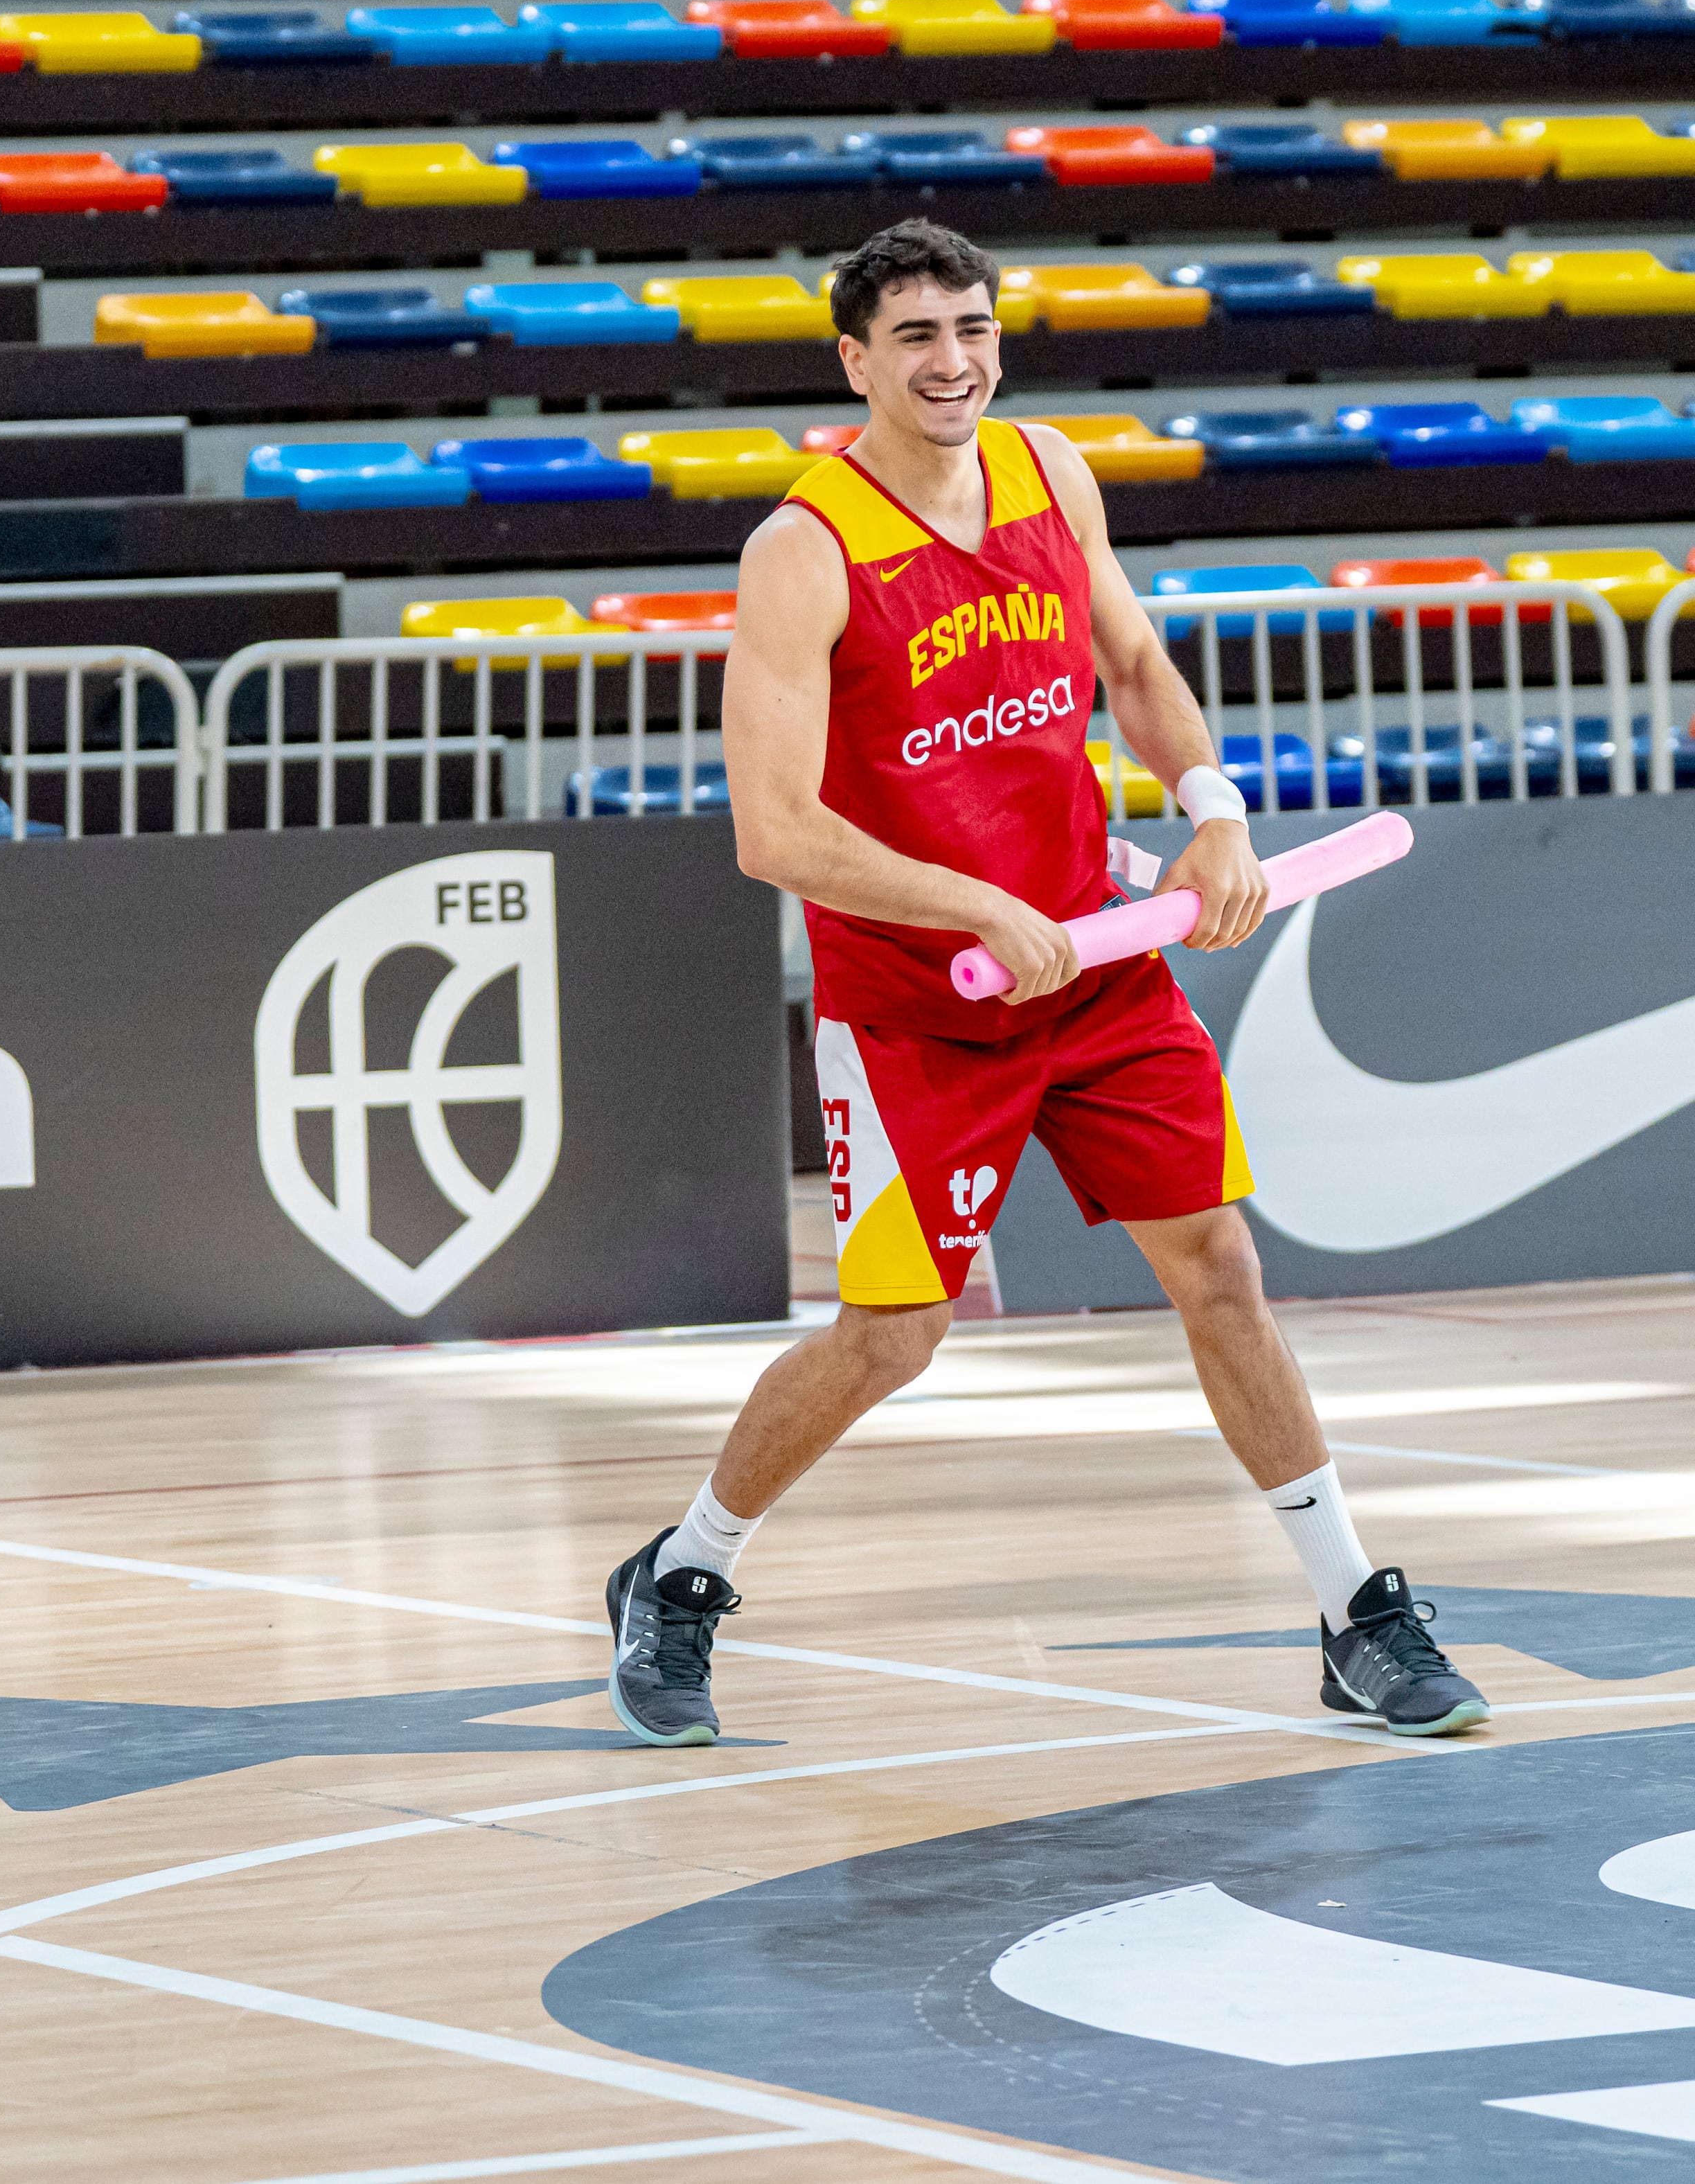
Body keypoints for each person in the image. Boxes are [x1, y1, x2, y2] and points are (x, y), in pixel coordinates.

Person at [603, 217, 1487, 1748]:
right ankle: (684, 1570)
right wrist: (971, 900)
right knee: (895, 1334)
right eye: (914, 337)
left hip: (1095, 969)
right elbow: (772, 830)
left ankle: (1355, 1609)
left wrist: (1212, 808)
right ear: (854, 363)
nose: (950, 361)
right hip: (919, 1006)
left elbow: (1132, 666)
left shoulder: (1050, 472)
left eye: (971, 329)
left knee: (1217, 1262)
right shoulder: (804, 550)